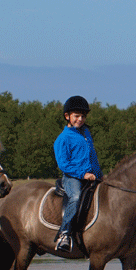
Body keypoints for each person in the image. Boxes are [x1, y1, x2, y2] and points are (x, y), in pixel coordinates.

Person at [52, 95, 102, 253]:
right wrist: (83, 174)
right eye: (77, 116)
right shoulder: (63, 139)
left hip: (92, 175)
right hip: (73, 177)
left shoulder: (86, 133)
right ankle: (64, 234)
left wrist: (99, 175)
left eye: (83, 116)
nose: (80, 119)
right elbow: (63, 164)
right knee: (75, 197)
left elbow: (93, 157)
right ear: (67, 116)